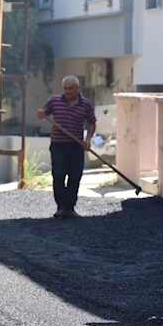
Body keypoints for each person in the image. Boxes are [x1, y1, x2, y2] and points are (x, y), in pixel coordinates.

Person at [36, 76, 96, 219]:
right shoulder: (55, 101)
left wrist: (88, 140)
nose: (68, 91)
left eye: (71, 88)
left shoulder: (86, 104)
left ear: (78, 88)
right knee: (58, 174)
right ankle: (61, 207)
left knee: (75, 176)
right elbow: (43, 113)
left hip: (76, 146)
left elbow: (92, 123)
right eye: (66, 88)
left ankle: (70, 208)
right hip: (58, 145)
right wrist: (40, 113)